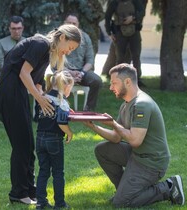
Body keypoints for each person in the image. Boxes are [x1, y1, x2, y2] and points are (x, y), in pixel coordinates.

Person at [0, 24, 81, 205]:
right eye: (70, 47)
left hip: (17, 94)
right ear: (63, 38)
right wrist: (39, 99)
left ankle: (30, 191)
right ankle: (18, 193)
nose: (68, 52)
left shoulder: (47, 52)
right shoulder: (40, 44)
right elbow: (23, 73)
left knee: (28, 144)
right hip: (9, 93)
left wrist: (57, 105)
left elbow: (38, 84)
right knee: (22, 145)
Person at [83, 63, 185, 207]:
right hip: (137, 156)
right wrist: (93, 126)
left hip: (151, 162)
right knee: (102, 150)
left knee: (122, 203)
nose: (111, 87)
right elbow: (116, 137)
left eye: (114, 83)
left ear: (128, 82)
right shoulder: (126, 104)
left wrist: (114, 124)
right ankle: (123, 191)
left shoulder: (141, 104)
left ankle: (168, 187)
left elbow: (135, 140)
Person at [36, 70, 74, 209]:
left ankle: (40, 202)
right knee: (58, 172)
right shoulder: (62, 102)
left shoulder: (43, 98)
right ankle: (60, 203)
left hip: (40, 138)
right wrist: (69, 133)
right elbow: (61, 122)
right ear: (67, 86)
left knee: (43, 170)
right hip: (54, 140)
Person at [64, 14, 103, 111]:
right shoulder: (60, 37)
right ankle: (62, 109)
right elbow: (54, 64)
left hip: (81, 71)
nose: (72, 25)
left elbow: (90, 60)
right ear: (65, 23)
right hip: (63, 71)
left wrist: (81, 73)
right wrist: (69, 72)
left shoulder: (85, 37)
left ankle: (89, 110)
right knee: (59, 79)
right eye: (69, 23)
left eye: (74, 23)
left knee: (96, 80)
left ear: (78, 25)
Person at [102, 0, 148, 81]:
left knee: (136, 56)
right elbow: (107, 16)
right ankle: (118, 79)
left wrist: (133, 17)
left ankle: (137, 79)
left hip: (134, 31)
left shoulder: (135, 2)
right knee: (120, 57)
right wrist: (109, 32)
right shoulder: (114, 3)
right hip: (119, 32)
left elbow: (142, 12)